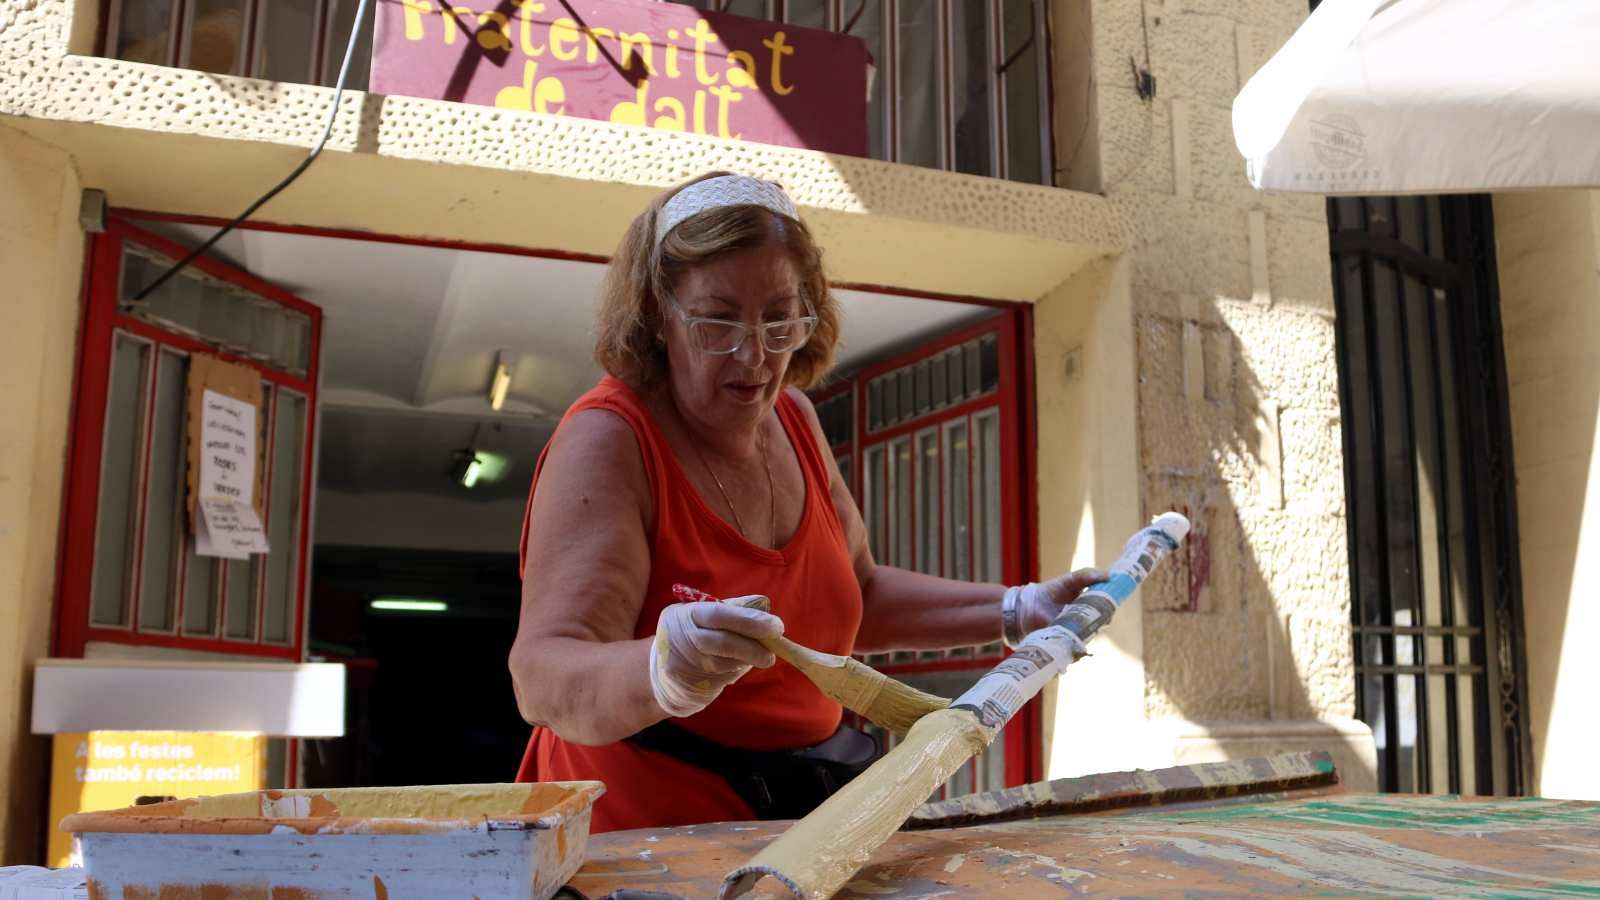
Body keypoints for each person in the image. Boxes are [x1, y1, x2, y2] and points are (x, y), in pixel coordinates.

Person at [507, 172, 1104, 832]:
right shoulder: (611, 438)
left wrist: (1018, 608)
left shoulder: (792, 418)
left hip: (792, 825)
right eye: (718, 320)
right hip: (639, 837)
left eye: (780, 318)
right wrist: (662, 670)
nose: (755, 355)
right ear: (656, 317)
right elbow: (543, 677)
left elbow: (856, 597)